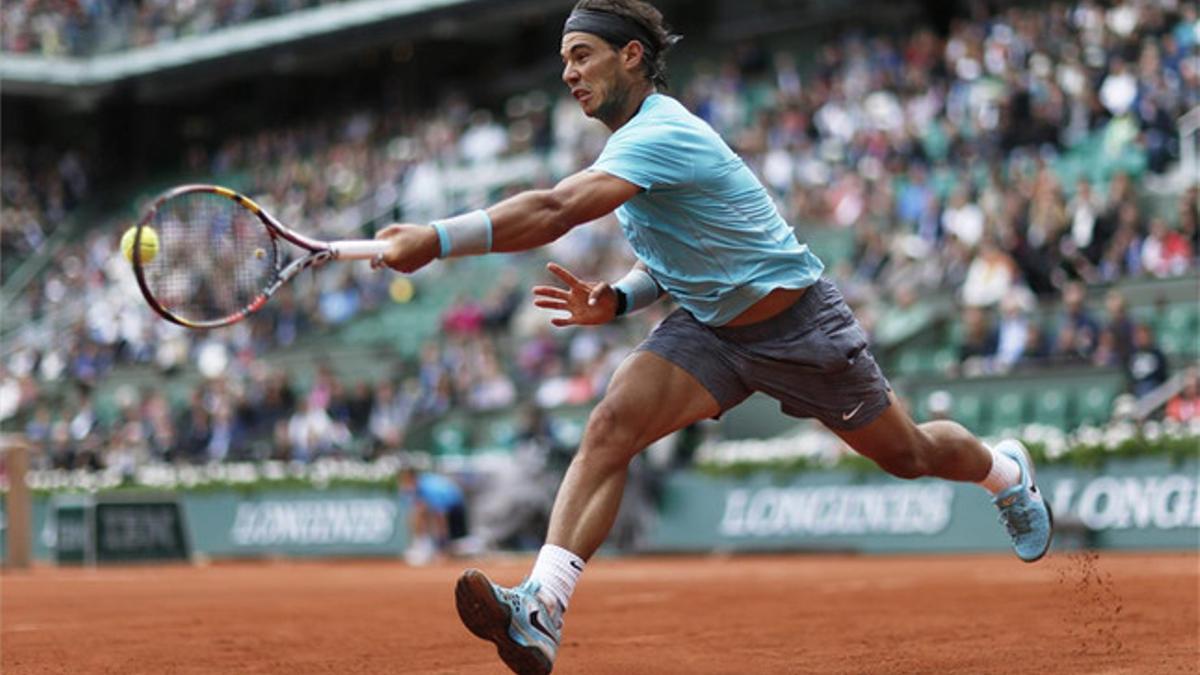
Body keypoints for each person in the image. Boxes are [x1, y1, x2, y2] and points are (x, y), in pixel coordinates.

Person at [372, 2, 1053, 672]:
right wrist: (617, 299)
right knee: (611, 423)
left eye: (582, 56)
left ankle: (1005, 473)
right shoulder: (627, 148)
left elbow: (553, 209)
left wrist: (434, 239)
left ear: (630, 55)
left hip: (800, 328)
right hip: (709, 332)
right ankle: (543, 607)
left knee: (910, 454)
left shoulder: (660, 133)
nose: (568, 74)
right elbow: (668, 262)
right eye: (563, 62)